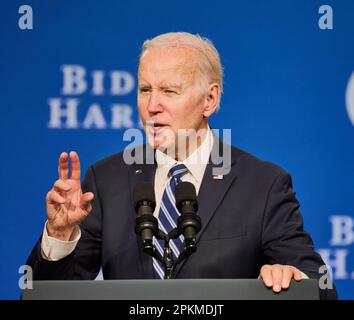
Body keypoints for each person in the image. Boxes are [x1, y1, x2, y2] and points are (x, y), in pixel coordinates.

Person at [27, 32, 337, 299]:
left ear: (209, 100)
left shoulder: (263, 185)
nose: (151, 106)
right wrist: (60, 235)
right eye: (145, 89)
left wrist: (289, 277)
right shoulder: (106, 180)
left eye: (169, 91)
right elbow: (54, 295)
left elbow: (320, 288)